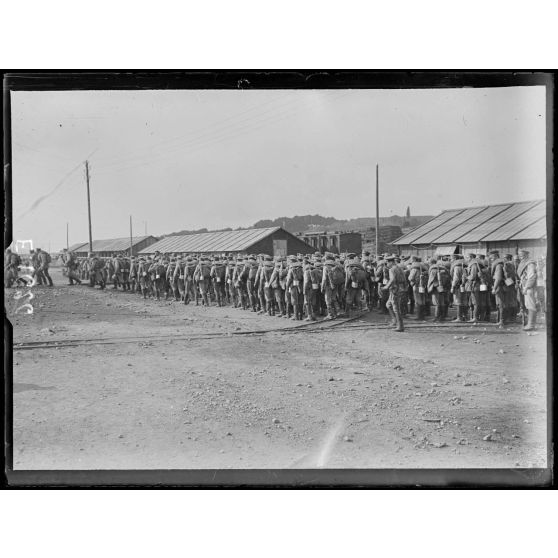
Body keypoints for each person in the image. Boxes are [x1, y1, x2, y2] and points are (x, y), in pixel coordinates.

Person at [383, 255, 407, 332]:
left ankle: (400, 326)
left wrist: (386, 287)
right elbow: (405, 279)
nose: (387, 264)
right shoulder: (399, 268)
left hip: (395, 290)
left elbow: (392, 279)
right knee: (388, 305)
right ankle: (394, 321)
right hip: (400, 288)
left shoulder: (392, 269)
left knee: (396, 308)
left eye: (387, 262)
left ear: (391, 262)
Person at [517, 249, 538, 331]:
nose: (521, 257)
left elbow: (532, 277)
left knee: (530, 305)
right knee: (527, 305)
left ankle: (531, 325)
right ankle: (529, 324)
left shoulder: (530, 264)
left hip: (529, 287)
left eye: (522, 255)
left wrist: (526, 287)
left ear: (526, 255)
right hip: (525, 286)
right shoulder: (524, 263)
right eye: (520, 255)